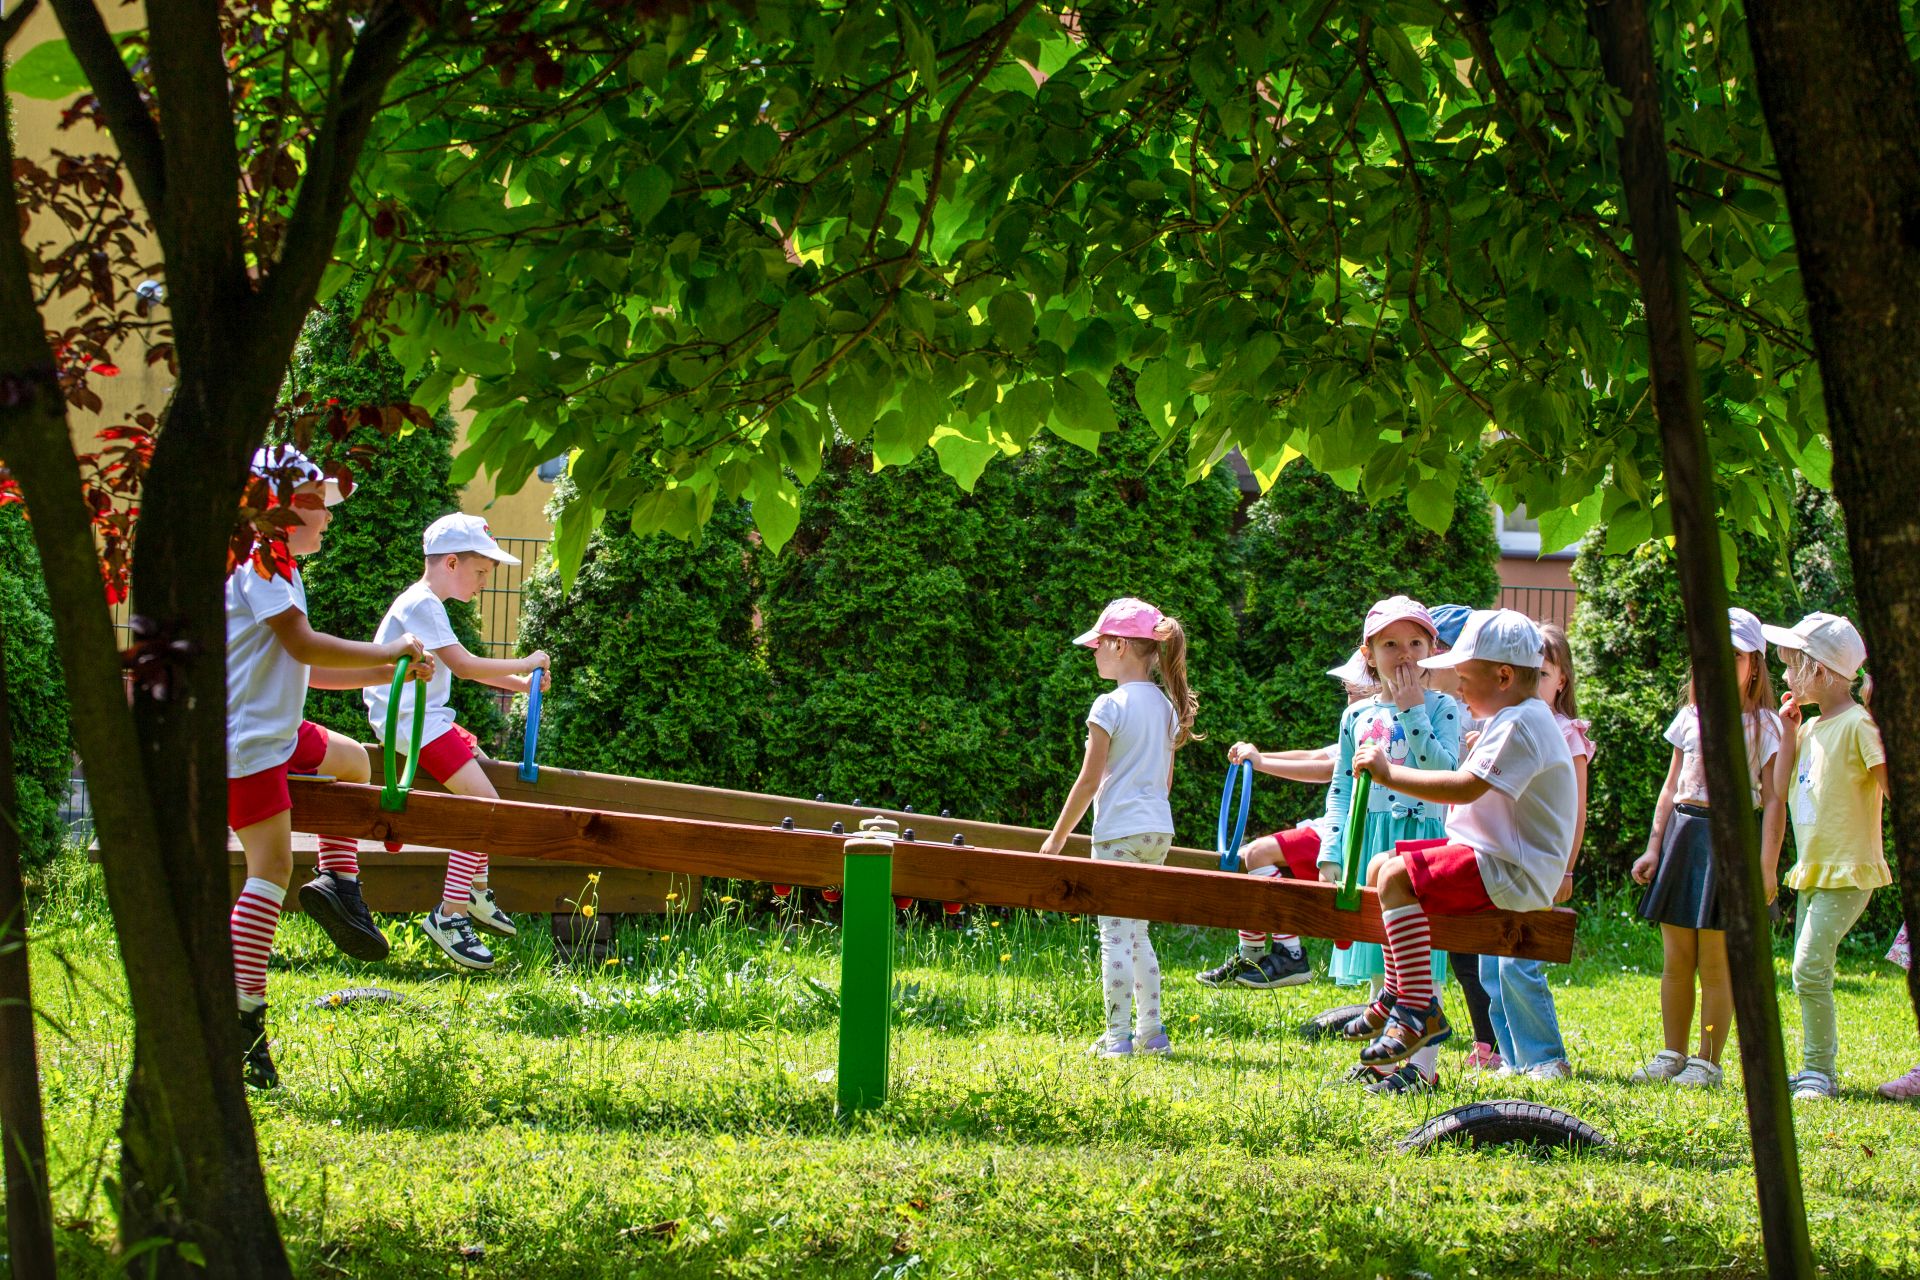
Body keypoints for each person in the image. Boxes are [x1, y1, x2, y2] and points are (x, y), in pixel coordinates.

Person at [226, 446, 431, 1088]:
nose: (329, 520)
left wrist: (386, 669)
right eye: (320, 506)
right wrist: (390, 647)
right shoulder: (264, 563)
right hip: (247, 742)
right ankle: (242, 1017)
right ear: (284, 507)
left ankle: (340, 885)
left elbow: (304, 668)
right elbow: (303, 645)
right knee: (270, 867)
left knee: (349, 761)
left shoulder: (277, 565)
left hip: (277, 730)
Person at [1346, 609, 1575, 1070]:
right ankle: (1398, 991)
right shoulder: (1513, 717)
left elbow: (1464, 785)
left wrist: (1391, 774)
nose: (1458, 688)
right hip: (1489, 857)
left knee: (1395, 874)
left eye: (1466, 678)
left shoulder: (1522, 724)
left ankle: (1418, 1010)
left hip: (1511, 868)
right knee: (1379, 868)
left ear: (1505, 676)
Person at [365, 514, 549, 971]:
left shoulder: (426, 604)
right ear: (451, 562)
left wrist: (522, 685)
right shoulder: (422, 604)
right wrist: (525, 664)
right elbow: (465, 667)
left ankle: (477, 887)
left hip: (427, 719)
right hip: (413, 724)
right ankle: (450, 913)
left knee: (483, 775)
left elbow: (457, 665)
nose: (485, 583)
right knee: (484, 806)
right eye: (482, 572)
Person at [1628, 608, 1784, 1088]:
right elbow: (1671, 784)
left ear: (1753, 665)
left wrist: (1766, 867)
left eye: (1732, 655)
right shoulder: (1688, 717)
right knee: (1677, 958)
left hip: (1731, 846)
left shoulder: (1765, 725)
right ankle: (1672, 1052)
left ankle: (1707, 1061)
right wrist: (1654, 847)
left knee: (1717, 961)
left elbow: (1774, 799)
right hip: (1682, 837)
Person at [1040, 597, 1199, 1058]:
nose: (1092, 652)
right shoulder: (1167, 709)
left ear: (1120, 645)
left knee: (1114, 935)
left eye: (1097, 645)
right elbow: (1164, 783)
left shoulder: (1109, 705)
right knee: (1138, 932)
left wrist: (1056, 839)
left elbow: (1089, 780)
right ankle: (1152, 1033)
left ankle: (1117, 1039)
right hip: (1157, 833)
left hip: (1117, 834)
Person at [1318, 597, 1464, 1093]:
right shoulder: (1355, 715)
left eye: (1416, 643)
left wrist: (1412, 712)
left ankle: (1422, 1071)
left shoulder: (1446, 708)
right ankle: (1384, 1062)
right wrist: (1332, 851)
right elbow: (1340, 784)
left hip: (1423, 839)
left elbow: (1442, 771)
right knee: (1387, 956)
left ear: (1433, 650)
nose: (1404, 655)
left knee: (1422, 955)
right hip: (1371, 837)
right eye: (1390, 644)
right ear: (1369, 653)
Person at [1197, 651, 1374, 990]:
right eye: (1349, 693)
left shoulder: (1371, 729)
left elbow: (1326, 769)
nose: (1348, 700)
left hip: (1348, 835)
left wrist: (1260, 763)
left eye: (1355, 692)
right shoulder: (1358, 726)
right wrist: (1258, 756)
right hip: (1334, 828)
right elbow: (1317, 755)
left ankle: (1290, 955)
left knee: (1257, 854)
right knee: (1252, 856)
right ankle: (1251, 953)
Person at [1765, 612, 1887, 1101]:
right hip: (1814, 867)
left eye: (1794, 665)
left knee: (1808, 969)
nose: (1786, 676)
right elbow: (1779, 787)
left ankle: (1820, 1072)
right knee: (1805, 968)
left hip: (1850, 869)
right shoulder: (1811, 726)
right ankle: (1814, 1066)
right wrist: (1788, 731)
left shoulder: (1860, 725)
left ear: (1819, 670)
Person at [1477, 622, 1588, 1081]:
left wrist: (1566, 870)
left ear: (1561, 680)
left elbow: (1575, 811)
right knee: (1490, 965)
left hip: (1534, 865)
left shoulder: (1565, 733)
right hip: (1499, 860)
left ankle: (1546, 1057)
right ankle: (1511, 1056)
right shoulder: (1504, 724)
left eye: (1544, 674)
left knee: (1519, 961)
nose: (1535, 682)